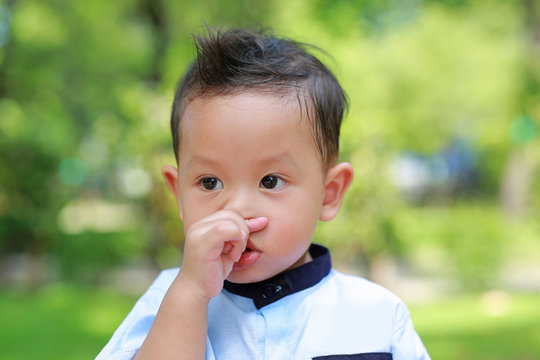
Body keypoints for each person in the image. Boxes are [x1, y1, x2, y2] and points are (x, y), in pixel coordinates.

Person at [96, 27, 431, 360]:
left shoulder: (375, 317)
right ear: (179, 195)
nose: (238, 209)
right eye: (210, 182)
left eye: (270, 181)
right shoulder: (166, 302)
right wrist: (190, 296)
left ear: (329, 194)